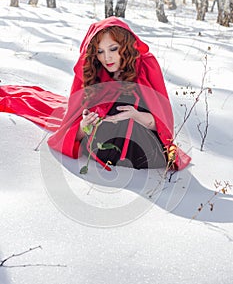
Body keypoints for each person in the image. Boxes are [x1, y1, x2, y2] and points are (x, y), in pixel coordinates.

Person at [0, 17, 191, 171]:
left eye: (113, 49)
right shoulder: (94, 71)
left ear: (125, 46)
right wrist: (84, 126)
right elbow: (73, 131)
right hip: (102, 150)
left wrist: (135, 115)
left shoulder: (146, 66)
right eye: (100, 51)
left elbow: (163, 124)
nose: (107, 57)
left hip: (146, 155)